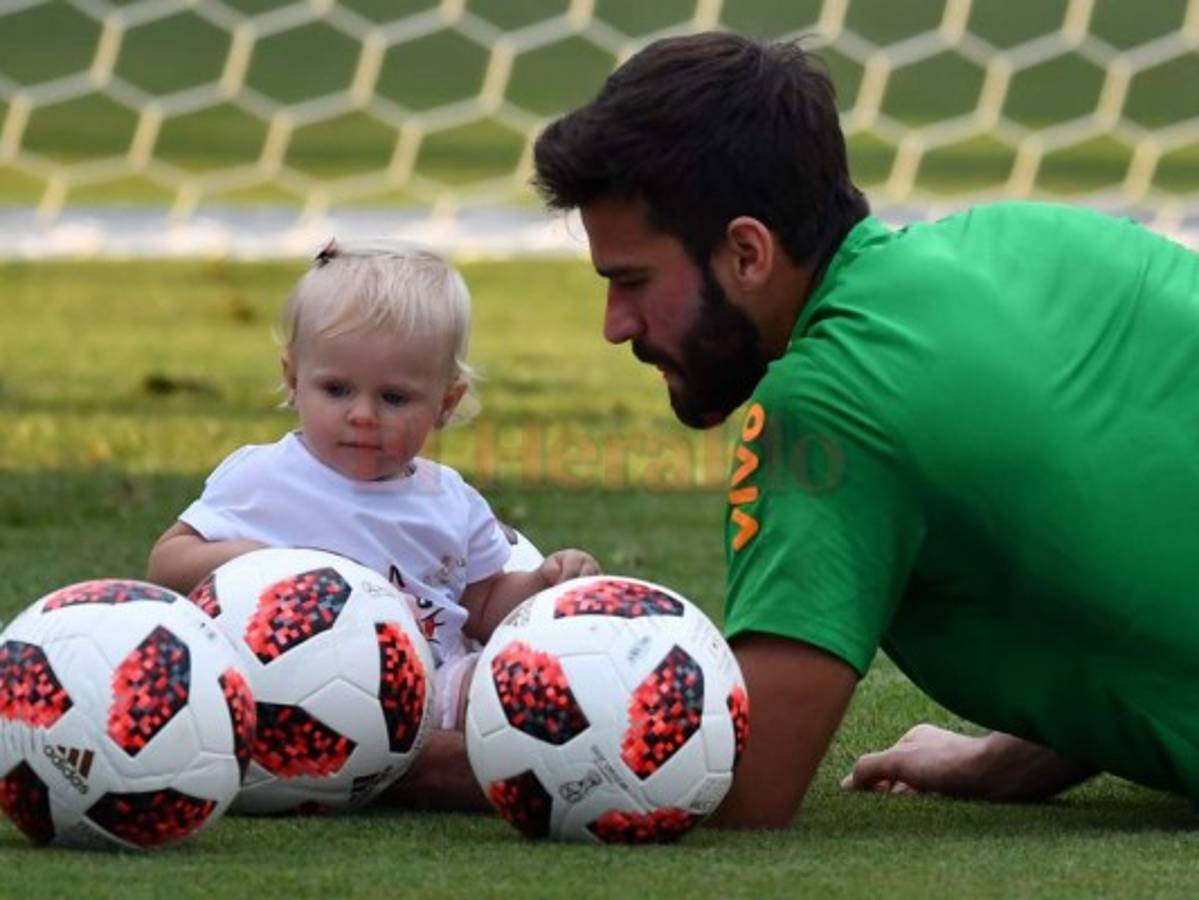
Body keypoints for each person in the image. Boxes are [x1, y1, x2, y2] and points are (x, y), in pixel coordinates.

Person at [531, 31, 1199, 828]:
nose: (615, 324)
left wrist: (412, 754)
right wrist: (1007, 758)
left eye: (632, 281)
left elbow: (739, 782)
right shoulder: (1033, 239)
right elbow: (1123, 554)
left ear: (746, 253)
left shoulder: (828, 404)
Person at [147, 240, 599, 807]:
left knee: (521, 687)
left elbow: (484, 602)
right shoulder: (263, 478)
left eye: (393, 398)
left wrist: (545, 586)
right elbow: (166, 564)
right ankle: (443, 769)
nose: (362, 415)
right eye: (336, 390)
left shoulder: (448, 501)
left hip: (431, 689)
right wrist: (251, 563)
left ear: (446, 402)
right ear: (293, 379)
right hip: (296, 687)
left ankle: (476, 764)